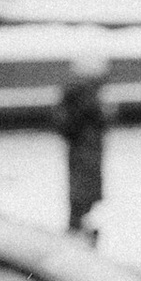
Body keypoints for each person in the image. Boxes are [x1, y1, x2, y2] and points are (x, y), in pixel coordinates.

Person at [54, 51, 108, 236]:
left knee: (82, 189)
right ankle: (78, 225)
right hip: (85, 149)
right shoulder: (85, 97)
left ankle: (78, 223)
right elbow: (96, 120)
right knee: (83, 190)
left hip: (84, 149)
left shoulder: (75, 96)